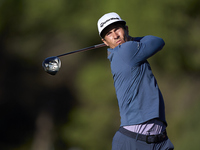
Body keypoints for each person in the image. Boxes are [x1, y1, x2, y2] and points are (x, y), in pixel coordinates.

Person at [97, 12, 174, 150]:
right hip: (134, 142)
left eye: (117, 30)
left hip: (160, 141)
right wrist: (131, 39)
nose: (115, 36)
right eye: (109, 34)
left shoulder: (124, 52)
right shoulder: (126, 50)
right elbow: (158, 41)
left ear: (126, 29)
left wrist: (129, 39)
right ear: (104, 42)